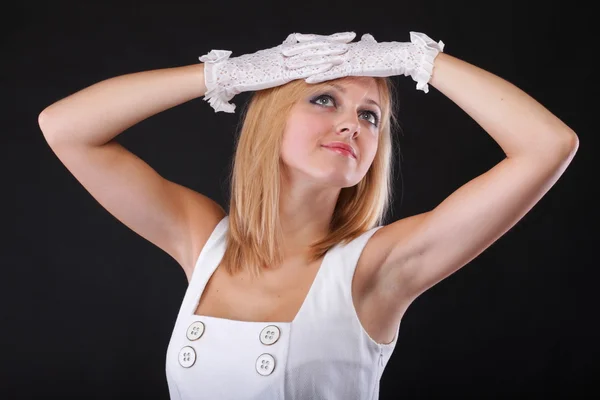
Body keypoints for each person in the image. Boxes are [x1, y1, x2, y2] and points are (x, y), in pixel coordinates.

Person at [38, 30, 579, 400]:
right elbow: (66, 128)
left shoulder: (379, 267)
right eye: (325, 100)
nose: (353, 125)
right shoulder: (203, 240)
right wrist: (225, 75)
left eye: (370, 115)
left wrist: (420, 61)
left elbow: (547, 145)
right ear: (271, 117)